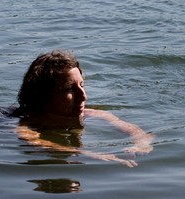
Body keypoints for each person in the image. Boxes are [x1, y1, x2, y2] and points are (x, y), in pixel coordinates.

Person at [12, 50, 154, 167]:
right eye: (70, 89)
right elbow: (35, 141)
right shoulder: (26, 124)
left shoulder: (92, 114)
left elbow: (137, 132)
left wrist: (140, 143)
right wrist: (89, 154)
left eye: (82, 85)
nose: (83, 96)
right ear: (44, 96)